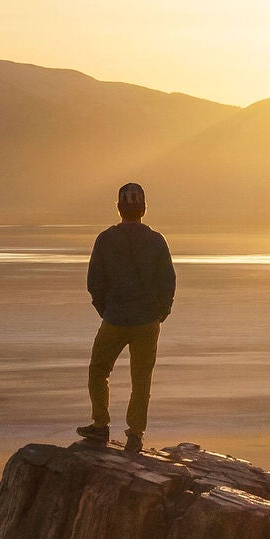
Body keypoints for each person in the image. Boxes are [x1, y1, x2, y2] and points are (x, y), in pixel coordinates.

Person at [78, 181, 176, 453]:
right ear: (143, 208)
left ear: (119, 208)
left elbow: (94, 282)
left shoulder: (106, 239)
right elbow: (168, 281)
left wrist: (107, 309)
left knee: (98, 371)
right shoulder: (156, 240)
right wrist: (160, 312)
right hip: (147, 321)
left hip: (116, 319)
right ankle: (135, 434)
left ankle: (100, 425)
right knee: (141, 378)